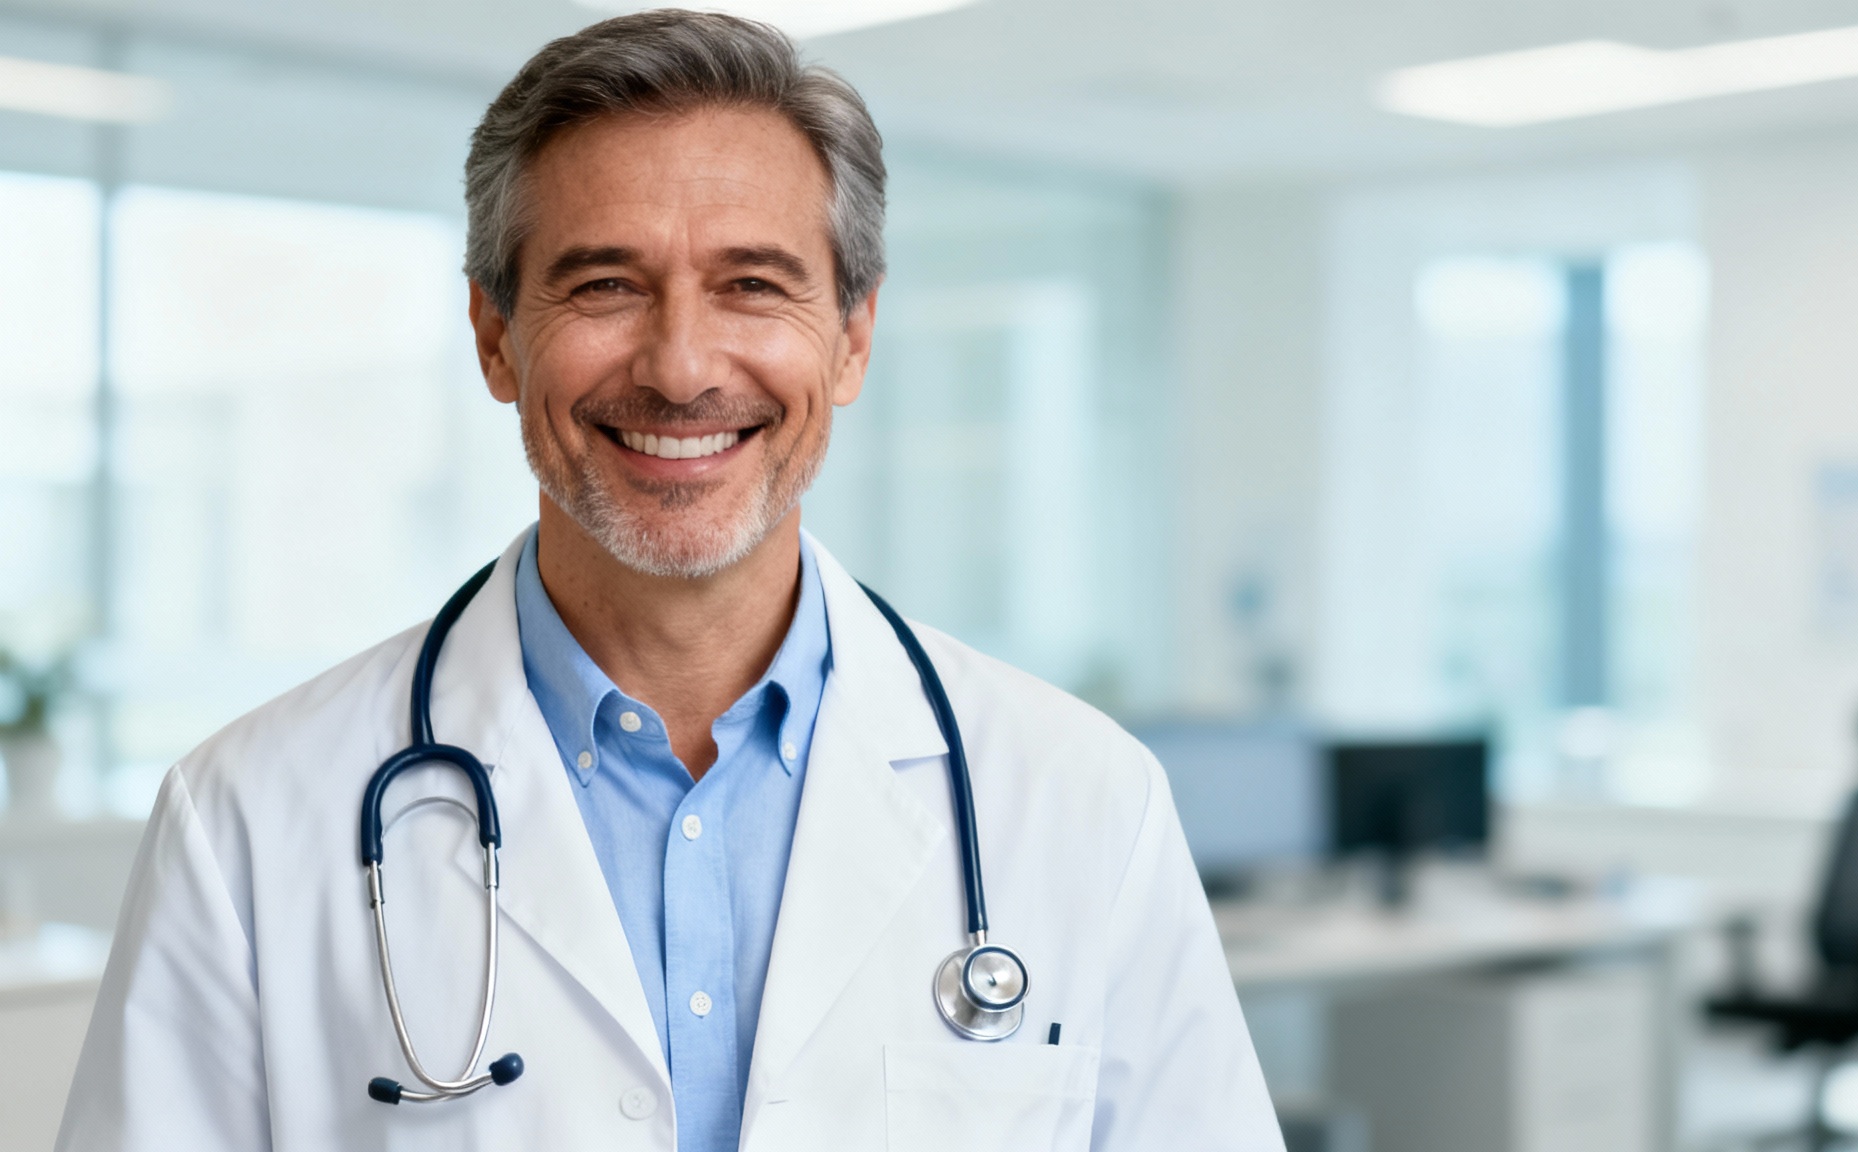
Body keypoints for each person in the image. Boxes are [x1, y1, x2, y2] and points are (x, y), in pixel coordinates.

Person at [57, 11, 1283, 1150]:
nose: (683, 366)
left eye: (753, 284)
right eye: (604, 286)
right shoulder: (250, 821)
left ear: (851, 336)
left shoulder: (1079, 801)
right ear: (495, 335)